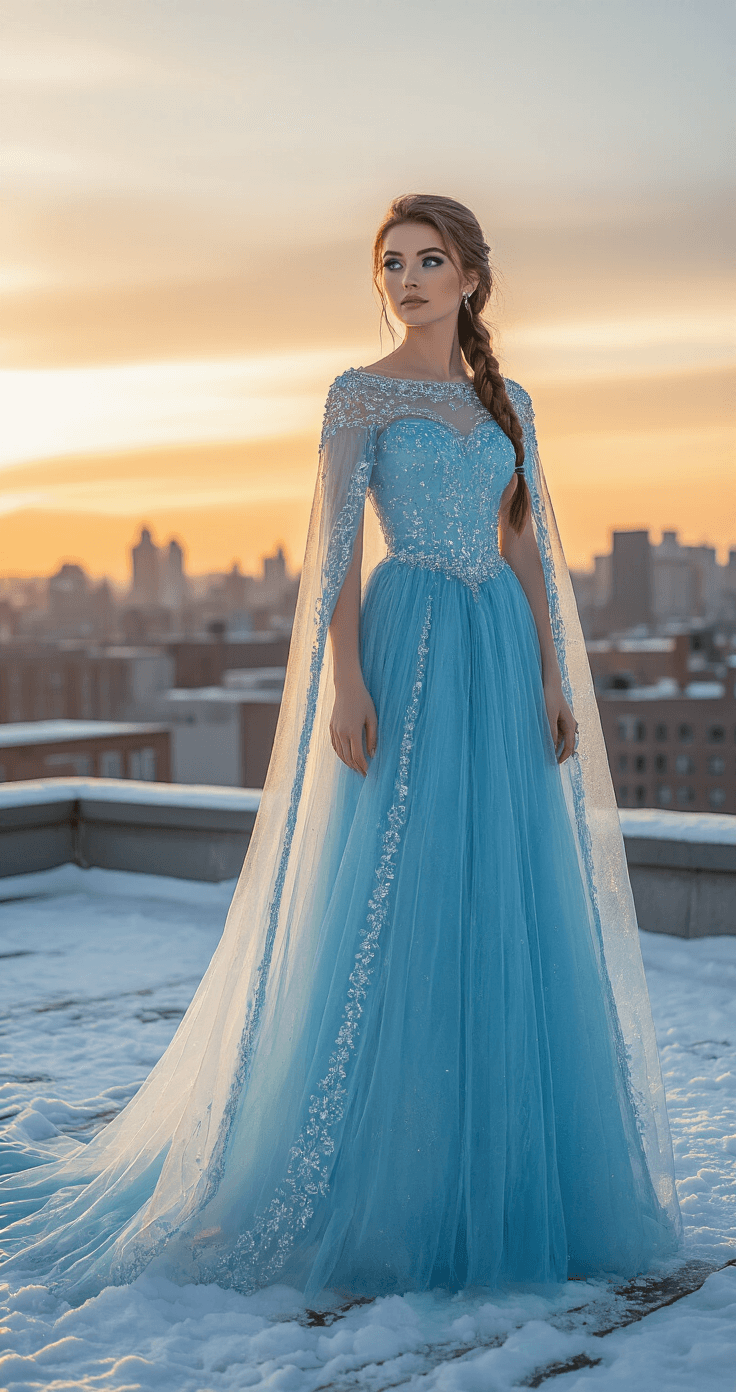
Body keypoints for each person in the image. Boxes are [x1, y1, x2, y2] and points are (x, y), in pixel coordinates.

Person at [0, 194, 681, 1304]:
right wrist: (345, 681)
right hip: (408, 646)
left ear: (470, 277)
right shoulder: (356, 395)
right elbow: (332, 555)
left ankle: (506, 1165)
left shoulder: (506, 402)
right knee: (395, 896)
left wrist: (556, 681)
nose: (407, 279)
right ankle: (383, 1174)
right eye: (391, 263)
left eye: (429, 260)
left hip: (498, 656)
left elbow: (526, 548)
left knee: (501, 900)